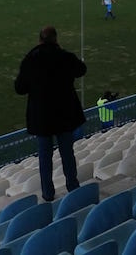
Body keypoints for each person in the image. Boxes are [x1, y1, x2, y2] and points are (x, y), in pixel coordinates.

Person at [14, 26, 87, 202]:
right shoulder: (65, 56)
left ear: (40, 40)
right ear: (56, 39)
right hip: (64, 114)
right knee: (67, 153)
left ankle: (48, 193)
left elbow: (20, 88)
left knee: (45, 157)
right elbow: (81, 69)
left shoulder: (31, 60)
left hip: (42, 118)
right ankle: (73, 187)